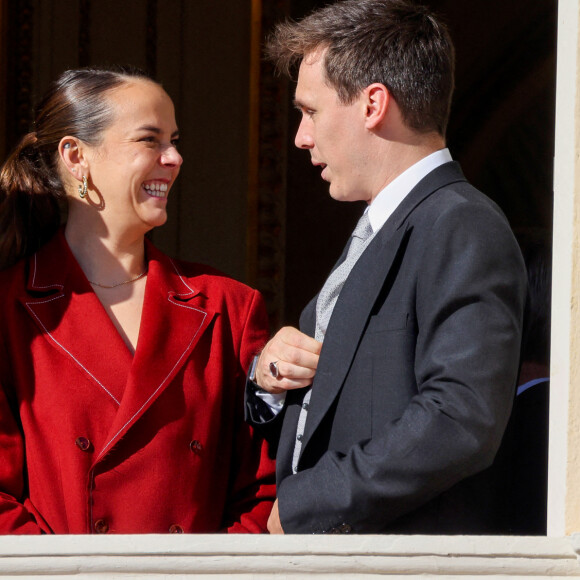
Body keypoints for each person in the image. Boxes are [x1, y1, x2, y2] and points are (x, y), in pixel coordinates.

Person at [245, 0, 527, 534]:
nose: (301, 137)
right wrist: (269, 379)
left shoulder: (462, 223)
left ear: (373, 104)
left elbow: (460, 417)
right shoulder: (387, 226)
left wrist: (311, 502)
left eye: (310, 111)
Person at [0, 66, 275, 534]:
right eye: (150, 139)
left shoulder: (229, 307)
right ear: (76, 156)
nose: (175, 158)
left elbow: (262, 488)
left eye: (174, 139)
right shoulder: (8, 309)